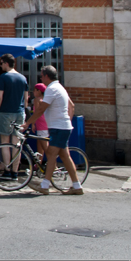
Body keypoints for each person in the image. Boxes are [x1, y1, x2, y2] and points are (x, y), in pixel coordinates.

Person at [24, 65, 82, 195]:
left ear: (46, 76)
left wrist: (27, 123)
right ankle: (76, 185)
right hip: (61, 126)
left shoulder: (52, 89)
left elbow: (41, 109)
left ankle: (45, 186)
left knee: (51, 154)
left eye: (41, 76)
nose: (41, 78)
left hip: (59, 127)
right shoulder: (59, 87)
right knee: (64, 156)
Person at [0, 55, 29, 181]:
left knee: (4, 142)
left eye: (2, 63)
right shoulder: (23, 78)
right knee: (16, 143)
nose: (1, 65)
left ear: (6, 63)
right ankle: (15, 171)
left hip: (6, 112)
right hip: (20, 112)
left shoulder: (4, 77)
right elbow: (26, 99)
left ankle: (7, 170)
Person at [30, 82, 50, 164]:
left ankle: (53, 165)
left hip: (40, 124)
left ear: (38, 91)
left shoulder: (37, 100)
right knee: (40, 144)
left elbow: (37, 113)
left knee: (45, 147)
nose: (33, 92)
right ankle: (39, 164)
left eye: (34, 90)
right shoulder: (45, 99)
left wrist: (32, 123)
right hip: (45, 123)